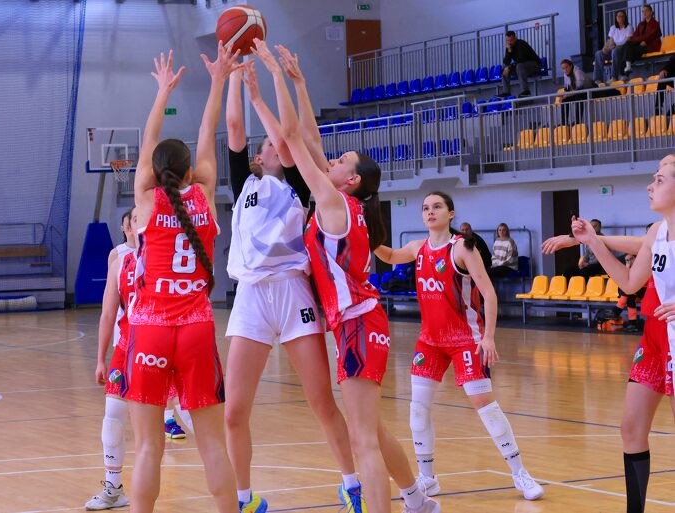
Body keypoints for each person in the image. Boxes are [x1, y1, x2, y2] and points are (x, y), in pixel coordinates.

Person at [253, 39, 440, 513]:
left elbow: (293, 139)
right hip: (359, 320)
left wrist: (271, 77)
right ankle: (417, 499)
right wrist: (298, 83)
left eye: (339, 163)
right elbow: (310, 142)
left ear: (350, 180)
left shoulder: (334, 202)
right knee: (371, 429)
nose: (331, 161)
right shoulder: (347, 204)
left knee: (363, 440)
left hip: (357, 322)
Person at [223, 60, 365, 513]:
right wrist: (234, 75)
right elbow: (234, 126)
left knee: (321, 401)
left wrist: (262, 94)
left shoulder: (302, 187)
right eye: (265, 144)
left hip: (292, 292)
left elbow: (289, 136)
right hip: (251, 296)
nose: (272, 145)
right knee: (233, 411)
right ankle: (244, 499)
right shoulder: (244, 182)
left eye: (275, 142)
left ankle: (352, 486)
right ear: (257, 158)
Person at [123, 46, 241, 513]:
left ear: (153, 172)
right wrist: (218, 80)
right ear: (191, 170)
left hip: (149, 329)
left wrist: (162, 92)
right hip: (195, 329)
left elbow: (149, 141)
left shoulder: (146, 200)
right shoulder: (205, 196)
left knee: (148, 447)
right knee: (212, 444)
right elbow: (207, 134)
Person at [374, 192, 545, 501]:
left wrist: (488, 336)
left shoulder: (462, 248)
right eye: (425, 208)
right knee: (417, 410)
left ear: (451, 213)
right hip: (430, 340)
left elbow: (489, 293)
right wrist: (363, 231)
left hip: (466, 339)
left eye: (437, 207)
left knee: (487, 408)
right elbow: (388, 256)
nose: (430, 212)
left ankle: (520, 473)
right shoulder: (417, 248)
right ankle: (428, 478)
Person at [552, 152, 675, 513]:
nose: (650, 186)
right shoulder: (657, 231)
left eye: (660, 180)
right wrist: (593, 242)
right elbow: (629, 281)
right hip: (655, 339)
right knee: (630, 429)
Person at [85, 208, 138, 511]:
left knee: (191, 416)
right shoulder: (119, 259)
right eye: (133, 221)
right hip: (126, 346)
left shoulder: (170, 254)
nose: (137, 225)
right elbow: (107, 314)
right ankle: (113, 487)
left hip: (165, 346)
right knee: (113, 420)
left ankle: (236, 484)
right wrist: (100, 359)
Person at [620, 4, 661, 77]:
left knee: (628, 50)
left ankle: (625, 73)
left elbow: (649, 36)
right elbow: (634, 37)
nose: (644, 13)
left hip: (650, 46)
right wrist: (640, 40)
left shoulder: (655, 23)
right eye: (642, 11)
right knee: (626, 46)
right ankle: (627, 68)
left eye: (646, 11)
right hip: (641, 45)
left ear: (651, 12)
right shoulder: (641, 24)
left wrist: (643, 40)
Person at [594, 9, 633, 82]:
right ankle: (598, 79)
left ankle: (614, 77)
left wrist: (615, 46)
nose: (620, 18)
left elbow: (628, 41)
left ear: (625, 18)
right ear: (616, 18)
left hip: (623, 51)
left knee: (615, 50)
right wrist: (606, 48)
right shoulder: (613, 28)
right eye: (618, 16)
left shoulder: (629, 27)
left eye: (622, 16)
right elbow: (611, 41)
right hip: (614, 49)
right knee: (598, 53)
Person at [501, 30, 541, 98]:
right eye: (507, 40)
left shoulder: (521, 44)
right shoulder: (509, 47)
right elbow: (506, 62)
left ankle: (525, 91)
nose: (509, 42)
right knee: (504, 67)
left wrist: (510, 67)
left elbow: (521, 59)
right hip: (522, 68)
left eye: (511, 40)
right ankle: (506, 92)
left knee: (519, 66)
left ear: (515, 38)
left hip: (535, 65)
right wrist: (509, 52)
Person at [558, 59, 597, 125]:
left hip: (591, 91)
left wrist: (566, 95)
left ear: (571, 66)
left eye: (566, 67)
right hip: (578, 93)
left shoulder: (578, 72)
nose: (565, 70)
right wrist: (563, 96)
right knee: (564, 100)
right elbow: (567, 88)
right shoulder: (565, 75)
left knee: (578, 97)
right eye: (563, 68)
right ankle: (563, 123)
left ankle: (577, 122)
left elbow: (578, 89)